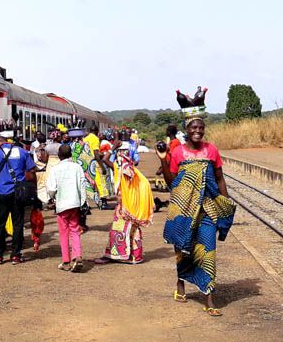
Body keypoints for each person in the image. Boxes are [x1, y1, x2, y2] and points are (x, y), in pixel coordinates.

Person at [158, 115, 235, 316]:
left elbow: (219, 179)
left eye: (201, 127)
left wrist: (225, 203)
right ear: (187, 129)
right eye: (194, 127)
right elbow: (171, 183)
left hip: (207, 209)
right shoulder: (177, 152)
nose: (198, 131)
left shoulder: (212, 150)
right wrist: (162, 161)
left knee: (208, 250)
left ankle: (209, 297)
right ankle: (180, 282)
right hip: (183, 209)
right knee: (183, 249)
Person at [95, 142, 154, 265]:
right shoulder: (129, 166)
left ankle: (118, 255)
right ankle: (135, 256)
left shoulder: (122, 166)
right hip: (130, 204)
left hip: (124, 205)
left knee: (119, 229)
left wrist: (113, 148)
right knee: (132, 228)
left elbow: (105, 159)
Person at [0, 136, 36, 264]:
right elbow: (32, 170)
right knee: (18, 223)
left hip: (1, 192)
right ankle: (16, 255)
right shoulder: (22, 151)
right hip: (18, 192)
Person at [46, 144, 88, 271]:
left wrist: (52, 197)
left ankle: (66, 261)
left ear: (59, 156)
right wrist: (82, 201)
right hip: (75, 203)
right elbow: (82, 185)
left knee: (63, 232)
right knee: (75, 230)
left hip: (62, 204)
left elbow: (52, 189)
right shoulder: (77, 167)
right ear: (71, 154)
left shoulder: (55, 169)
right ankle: (77, 256)